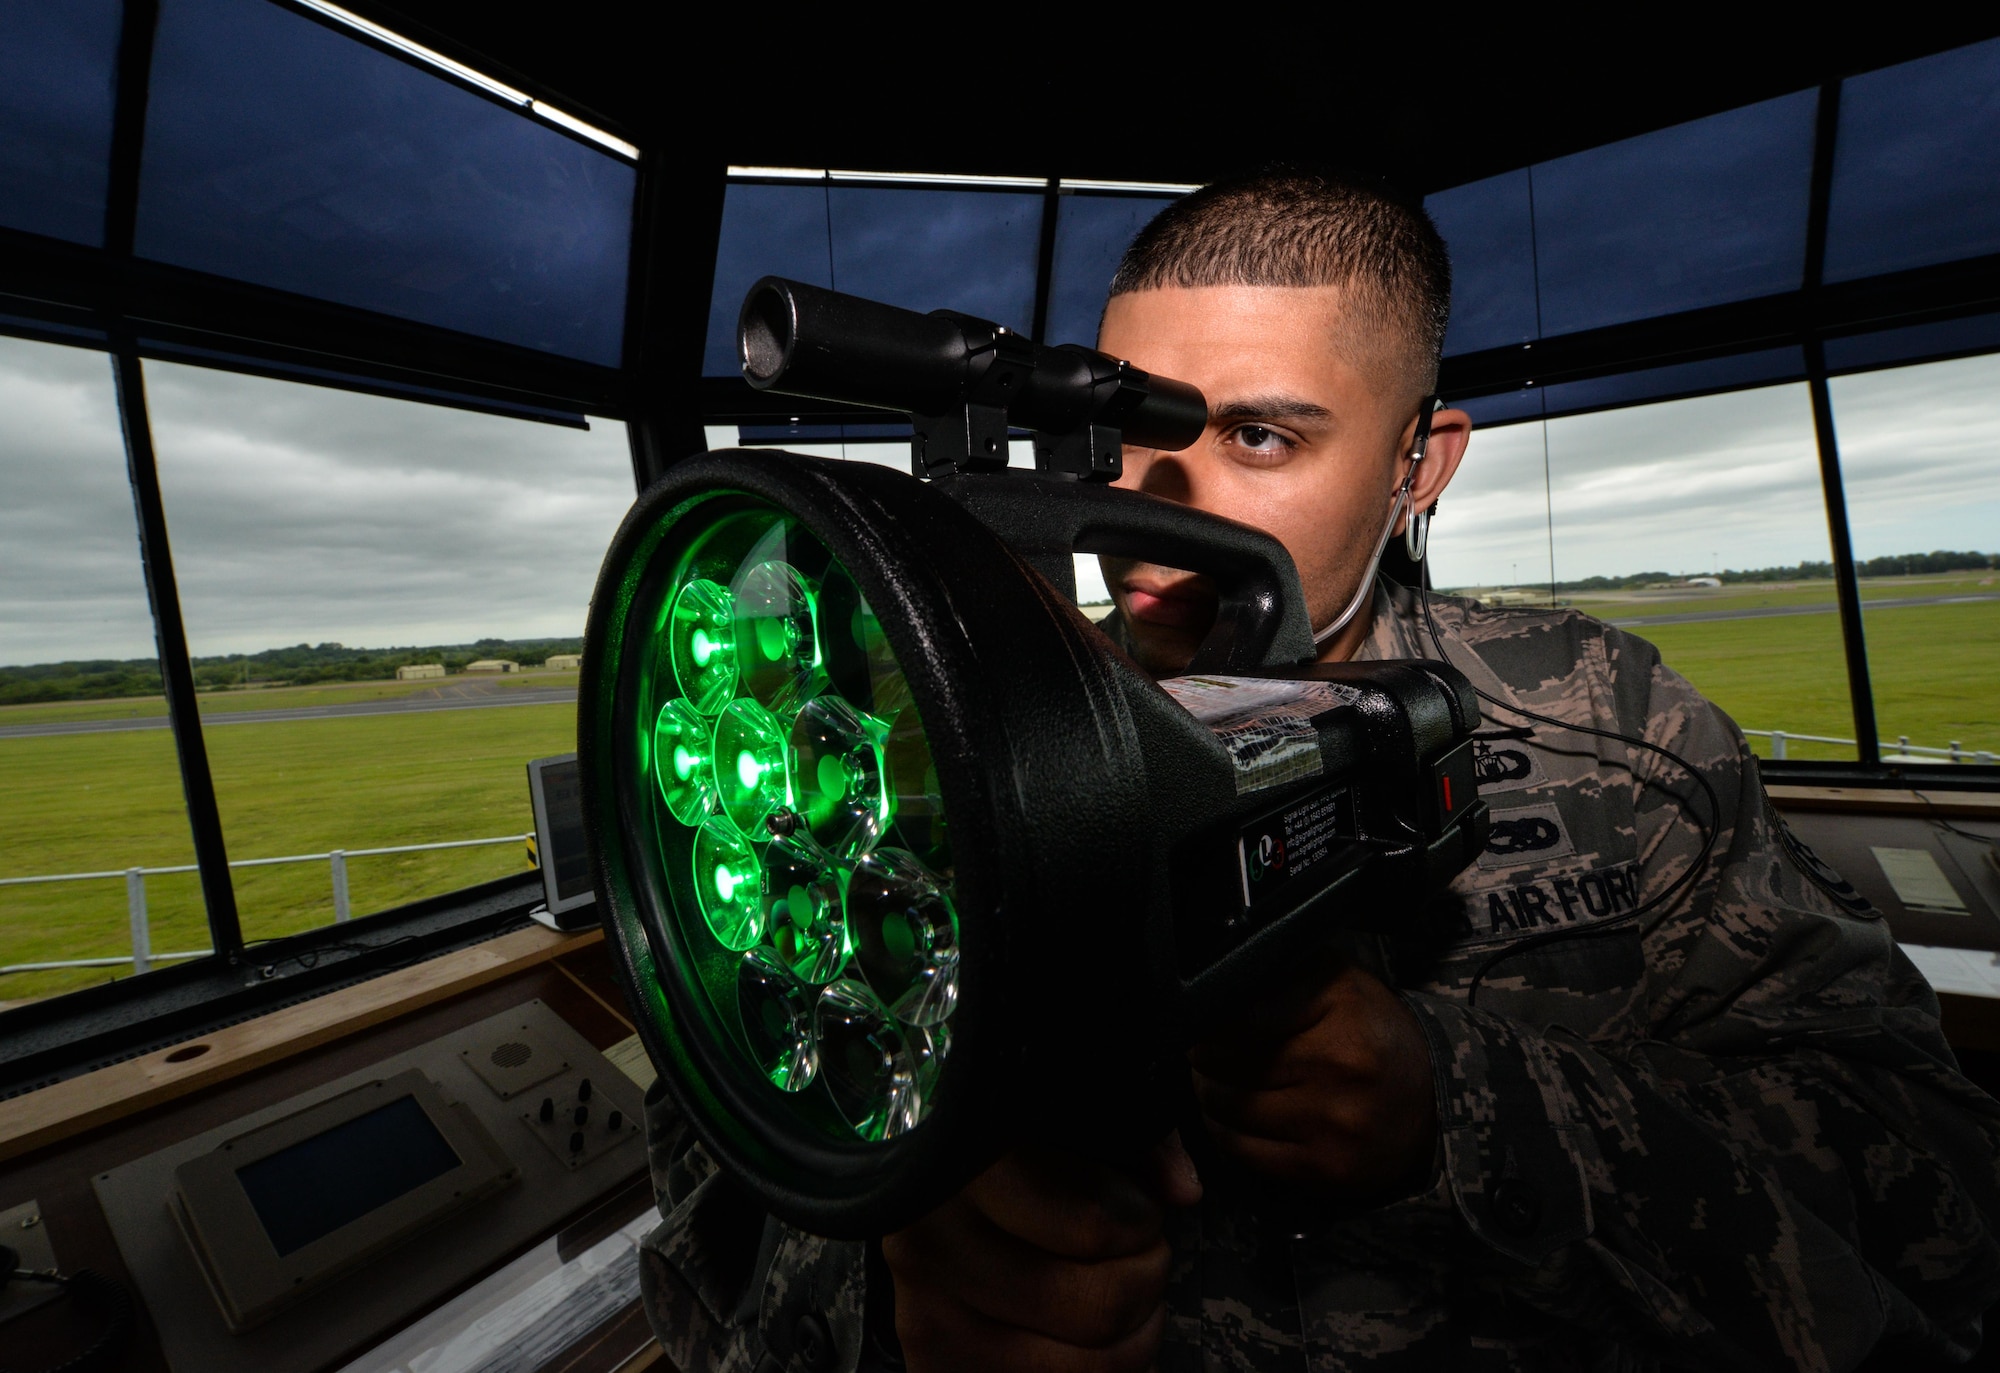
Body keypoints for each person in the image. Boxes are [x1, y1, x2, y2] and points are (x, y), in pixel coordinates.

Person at [638, 171, 2000, 1371]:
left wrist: (1455, 1113)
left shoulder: (1618, 735)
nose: (1154, 520)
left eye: (1263, 437)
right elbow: (712, 1195)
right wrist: (895, 1265)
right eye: (1123, 443)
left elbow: (1927, 1184)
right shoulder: (911, 753)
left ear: (1422, 462)